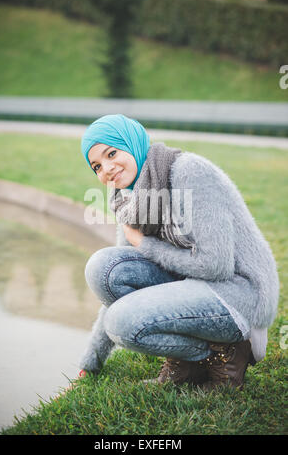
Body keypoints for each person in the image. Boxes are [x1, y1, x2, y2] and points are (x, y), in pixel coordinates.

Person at [78, 114, 279, 389]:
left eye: (112, 153)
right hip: (195, 286)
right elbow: (118, 281)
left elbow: (216, 265)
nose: (107, 169)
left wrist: (145, 245)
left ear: (132, 142)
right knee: (104, 268)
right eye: (97, 166)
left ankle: (229, 352)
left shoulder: (188, 171)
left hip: (239, 292)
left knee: (122, 322)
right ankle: (191, 363)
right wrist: (90, 364)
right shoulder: (130, 201)